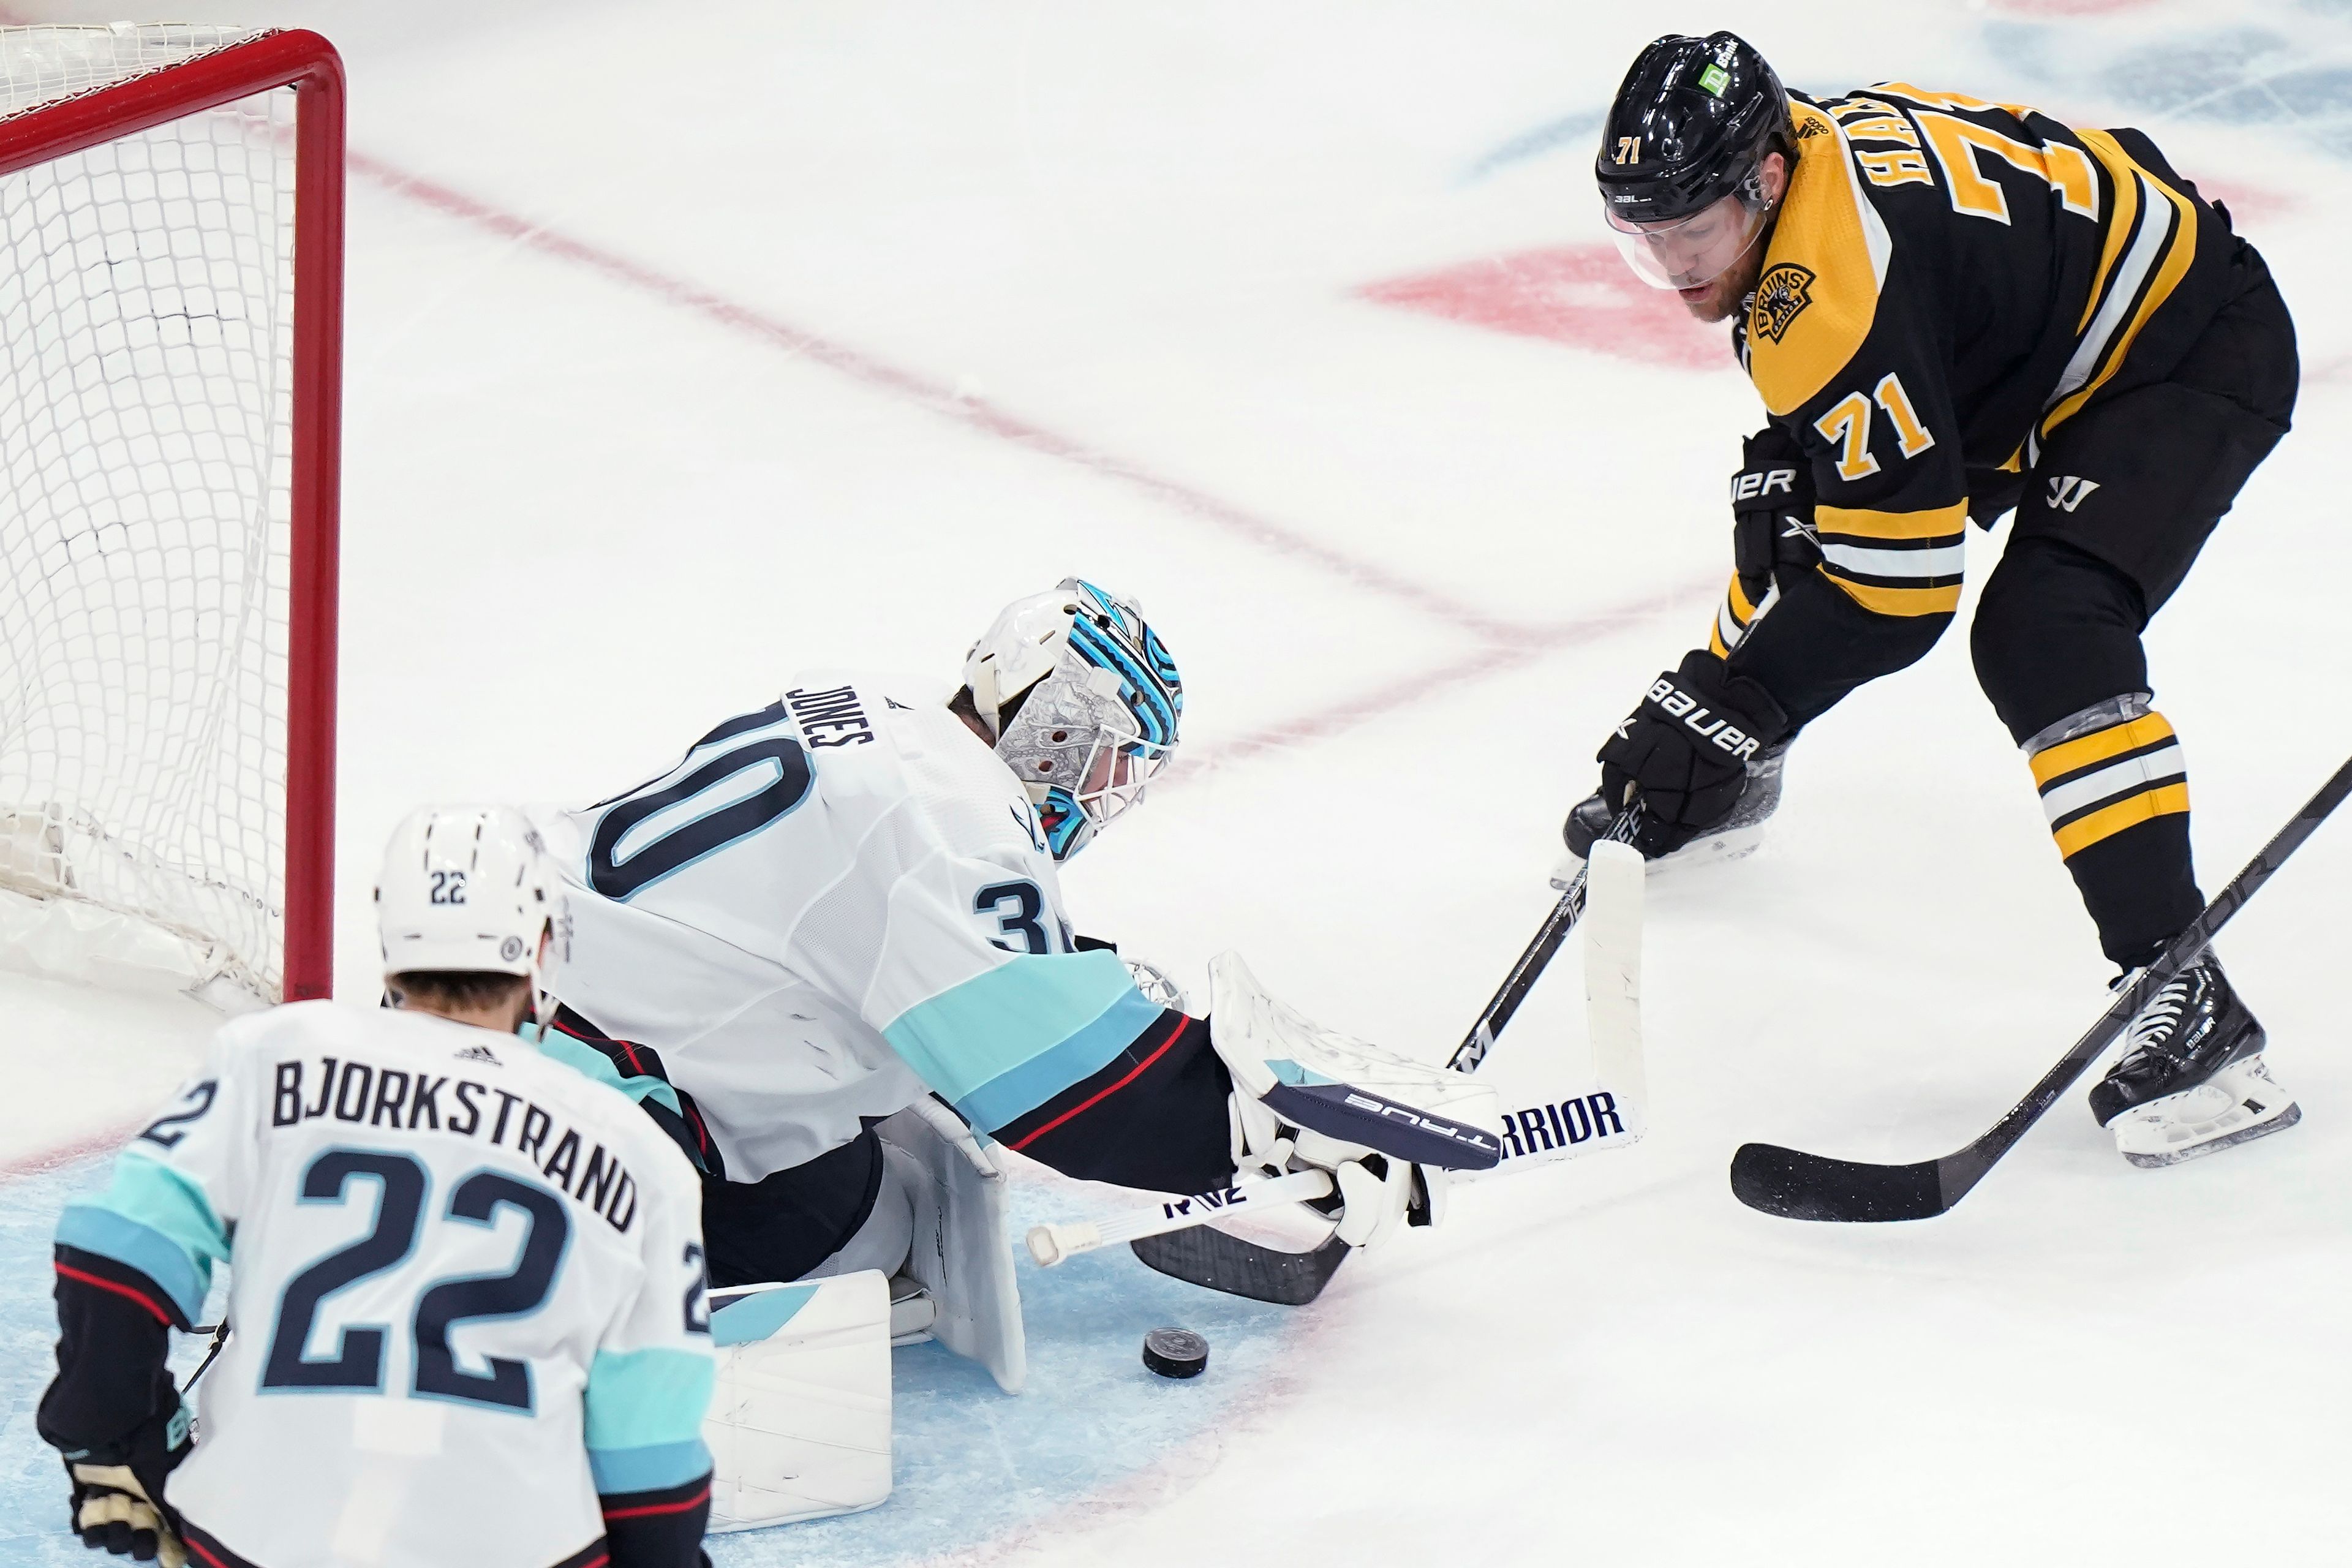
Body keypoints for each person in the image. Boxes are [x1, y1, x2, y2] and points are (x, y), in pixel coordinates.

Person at [1566, 33, 2299, 1166]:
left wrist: (1718, 704)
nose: (1673, 268)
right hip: (2036, 340)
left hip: (2184, 345)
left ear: (1762, 181)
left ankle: (2185, 992)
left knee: (2047, 634)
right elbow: (1830, 536)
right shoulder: (1788, 185)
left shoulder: (1829, 283)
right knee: (1792, 512)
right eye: (1644, 237)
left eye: (1692, 231)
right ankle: (1728, 790)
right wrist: (1714, 716)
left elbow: (1901, 593)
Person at [534, 579, 1501, 1370]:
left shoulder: (874, 709)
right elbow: (1073, 1092)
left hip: (496, 976)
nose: (1104, 793)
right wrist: (1271, 1133)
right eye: (1109, 763)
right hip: (569, 1112)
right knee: (836, 1228)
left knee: (858, 1171)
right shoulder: (947, 828)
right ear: (1056, 731)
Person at [39, 809, 715, 1568]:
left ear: (391, 937)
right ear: (544, 947)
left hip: (255, 1533)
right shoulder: (634, 1150)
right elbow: (651, 1462)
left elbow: (117, 1252)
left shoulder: (272, 1053)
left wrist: (119, 1435)